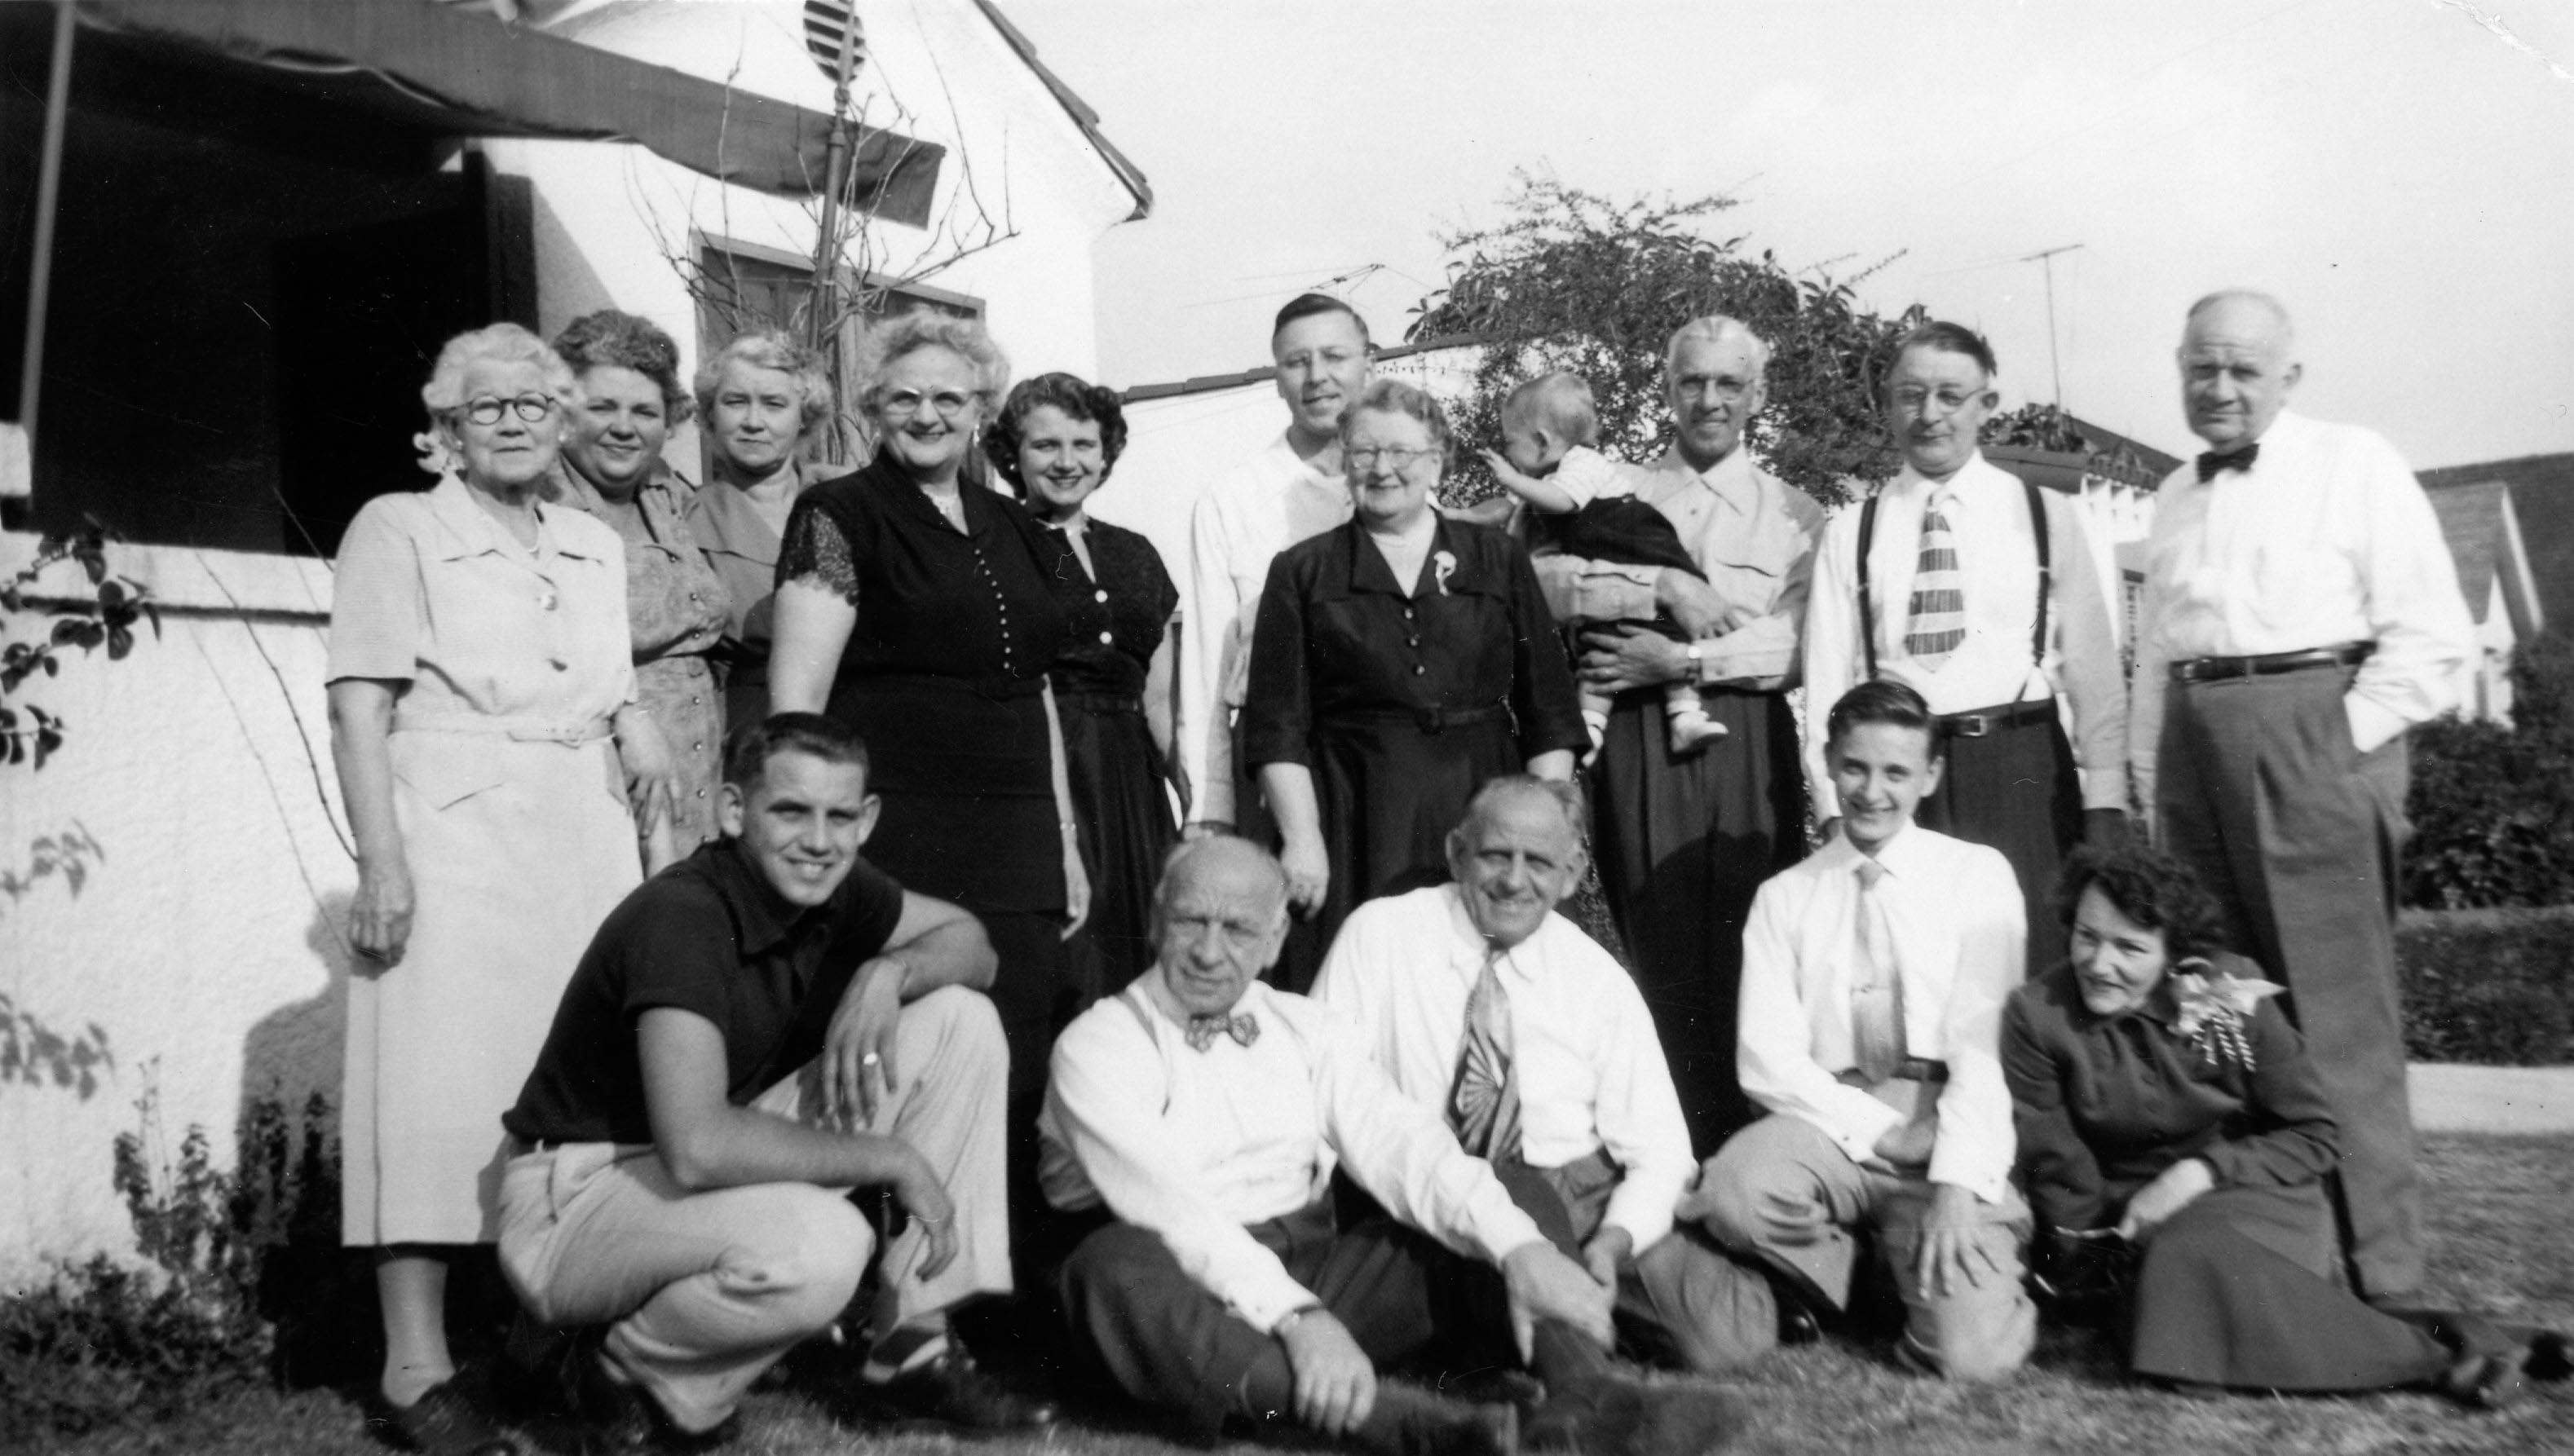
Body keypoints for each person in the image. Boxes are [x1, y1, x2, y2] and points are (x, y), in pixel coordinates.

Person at [1042, 837, 1739, 1456]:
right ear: (1157, 917)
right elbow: (1174, 1210)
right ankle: (1415, 1429)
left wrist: (1519, 1249)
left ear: (1276, 938)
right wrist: (1299, 1319)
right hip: (1180, 1285)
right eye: (1191, 920)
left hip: (1313, 1265)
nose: (1208, 951)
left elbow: (1399, 1142)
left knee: (1510, 1193)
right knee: (1111, 1266)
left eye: (1237, 929)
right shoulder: (1099, 1043)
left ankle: (1586, 1398)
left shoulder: (1305, 1026)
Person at [496, 714, 1052, 1449]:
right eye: (790, 811)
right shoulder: (683, 916)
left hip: (674, 1173)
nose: (818, 841)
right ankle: (616, 1372)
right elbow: (698, 1146)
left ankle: (909, 1344)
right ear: (733, 811)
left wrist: (889, 972)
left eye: (839, 816)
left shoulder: (832, 882)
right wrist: (892, 1160)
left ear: (867, 820)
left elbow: (974, 948)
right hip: (575, 1196)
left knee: (959, 1018)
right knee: (825, 1245)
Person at [327, 322, 673, 1455]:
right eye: (488, 407)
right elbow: (361, 705)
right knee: (432, 1085)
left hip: (582, 830)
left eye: (535, 403)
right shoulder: (398, 526)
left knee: (572, 1094)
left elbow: (606, 677)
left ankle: (545, 1345)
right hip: (456, 827)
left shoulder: (586, 539)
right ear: (444, 430)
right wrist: (382, 862)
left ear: (561, 422)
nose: (517, 421)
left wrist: (634, 727)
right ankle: (415, 1362)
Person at [2126, 289, 2475, 1300]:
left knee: (2337, 1018)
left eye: (2242, 368)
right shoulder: (2171, 493)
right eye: (2202, 367)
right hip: (2195, 747)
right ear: (2179, 368)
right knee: (2220, 1009)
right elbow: (2159, 655)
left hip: (2311, 729)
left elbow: (2434, 634)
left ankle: (2388, 1271)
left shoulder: (2353, 461)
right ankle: (2272, 1252)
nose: (2219, 386)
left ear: (2288, 377)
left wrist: (2337, 744)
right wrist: (2153, 783)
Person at [2003, 842, 2550, 1405]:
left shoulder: (2231, 992)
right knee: (2176, 1351)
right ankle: (2482, 1340)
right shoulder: (2035, 1014)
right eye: (2086, 937)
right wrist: (2088, 1258)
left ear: (2172, 953)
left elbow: (2312, 1134)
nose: (2098, 963)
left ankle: (2444, 1364)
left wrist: (2198, 1172)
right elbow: (2056, 1161)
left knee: (2184, 1276)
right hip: (2127, 1224)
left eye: (2129, 948)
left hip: (2249, 1198)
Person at [765, 310, 1088, 1214]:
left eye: (950, 396)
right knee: (912, 1035)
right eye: (905, 397)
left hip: (1018, 818)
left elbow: (1041, 693)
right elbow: (797, 710)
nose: (928, 413)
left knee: (1021, 1032)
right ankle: (888, 1273)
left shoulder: (1019, 527)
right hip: (903, 819)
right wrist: (814, 838)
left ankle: (994, 1279)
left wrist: (1064, 838)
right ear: (873, 407)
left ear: (982, 409)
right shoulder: (837, 514)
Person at [1312, 775, 1778, 1375]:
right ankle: (1548, 1338)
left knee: (1730, 1338)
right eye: (1494, 856)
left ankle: (1589, 1303)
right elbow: (1320, 1089)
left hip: (1578, 1194)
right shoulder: (1378, 935)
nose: (1513, 881)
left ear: (1572, 871)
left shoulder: (1595, 978)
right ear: (1456, 852)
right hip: (1437, 1189)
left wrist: (1613, 1242)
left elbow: (1661, 1150)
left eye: (1538, 862)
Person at [1531, 315, 1824, 1151]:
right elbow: (1543, 583)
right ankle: (1669, 1158)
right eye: (1692, 380)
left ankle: (1744, 1153)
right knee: (1650, 949)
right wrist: (1656, 581)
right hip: (1632, 739)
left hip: (1740, 736)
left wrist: (1684, 658)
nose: (1709, 399)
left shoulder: (1795, 515)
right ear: (1665, 389)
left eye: (1729, 383)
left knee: (1749, 953)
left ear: (1756, 396)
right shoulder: (1607, 483)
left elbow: (1800, 643)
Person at [1687, 681, 2035, 1379]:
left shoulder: (1975, 876)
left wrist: (1958, 1184)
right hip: (1831, 1128)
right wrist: (1879, 1133)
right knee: (1733, 1191)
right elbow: (1768, 1062)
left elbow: (1983, 1046)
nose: (1872, 791)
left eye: (1896, 772)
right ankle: (1862, 1272)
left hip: (1944, 1122)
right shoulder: (1786, 897)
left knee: (1972, 1360)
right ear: (1827, 762)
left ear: (1930, 776)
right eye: (1854, 768)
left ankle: (1923, 1274)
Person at [1801, 322, 2126, 971]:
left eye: (1950, 396)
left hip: (2019, 770)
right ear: (1887, 403)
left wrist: (2107, 801)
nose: (1928, 415)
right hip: (1894, 778)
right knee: (1908, 967)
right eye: (1910, 395)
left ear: (1986, 403)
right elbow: (1826, 684)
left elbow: (2094, 673)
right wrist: (1832, 808)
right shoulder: (1852, 530)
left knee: (2029, 968)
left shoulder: (2044, 515)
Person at [1242, 379, 1587, 982]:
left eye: (1400, 453)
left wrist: (1547, 828)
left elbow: (1548, 707)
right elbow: (1277, 727)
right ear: (1344, 462)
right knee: (1363, 981)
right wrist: (1302, 839)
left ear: (1436, 461)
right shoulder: (1302, 571)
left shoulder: (1495, 558)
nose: (1382, 469)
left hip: (1482, 798)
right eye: (1364, 453)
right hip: (1355, 808)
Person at [986, 372, 1181, 987]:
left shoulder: (1136, 552)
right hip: (1045, 771)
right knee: (1069, 956)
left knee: (1146, 943)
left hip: (1132, 781)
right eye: (1046, 446)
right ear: (1012, 455)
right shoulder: (993, 547)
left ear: (1106, 452)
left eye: (1083, 445)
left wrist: (1194, 798)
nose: (1066, 462)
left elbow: (1157, 695)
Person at [1178, 293, 1370, 839]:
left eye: (1334, 356)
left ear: (1367, 363)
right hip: (1278, 756)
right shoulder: (1232, 498)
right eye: (1296, 362)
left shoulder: (1407, 489)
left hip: (1386, 759)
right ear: (1277, 377)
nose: (1317, 377)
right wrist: (1209, 803)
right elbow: (1206, 661)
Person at [551, 310, 735, 856]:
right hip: (608, 764)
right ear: (562, 411)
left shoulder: (665, 494)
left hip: (697, 764)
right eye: (602, 407)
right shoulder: (537, 502)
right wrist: (625, 718)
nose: (624, 427)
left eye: (644, 411)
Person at [1475, 371, 1723, 761]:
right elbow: (1507, 507)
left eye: (1510, 443)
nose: (1507, 455)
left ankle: (1686, 714)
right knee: (1607, 638)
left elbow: (1560, 502)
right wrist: (1464, 515)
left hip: (1639, 545)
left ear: (1541, 441)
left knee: (1668, 628)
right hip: (1614, 556)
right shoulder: (1545, 476)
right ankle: (1592, 724)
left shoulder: (1581, 463)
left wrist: (1510, 478)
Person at [683, 329, 833, 732]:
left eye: (773, 404)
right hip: (746, 725)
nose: (753, 421)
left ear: (804, 416)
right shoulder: (685, 518)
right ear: (711, 414)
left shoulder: (842, 501)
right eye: (735, 402)